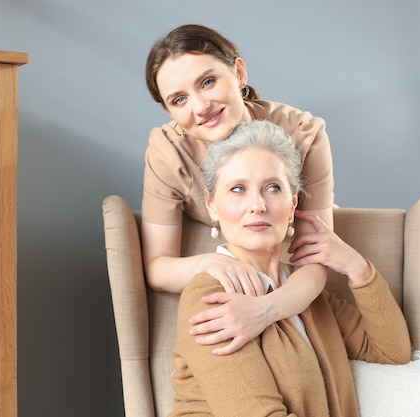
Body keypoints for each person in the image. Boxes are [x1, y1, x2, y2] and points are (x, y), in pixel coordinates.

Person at [170, 120, 411, 417]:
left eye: (273, 187)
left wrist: (357, 268)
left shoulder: (307, 294)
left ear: (292, 203)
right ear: (212, 206)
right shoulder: (209, 297)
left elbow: (393, 352)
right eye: (237, 189)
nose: (257, 205)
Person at [142, 24, 334, 355]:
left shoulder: (302, 133)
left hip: (286, 265)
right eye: (179, 99)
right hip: (227, 260)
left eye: (208, 82)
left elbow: (315, 261)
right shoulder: (168, 151)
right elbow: (158, 267)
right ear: (169, 110)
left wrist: (264, 311)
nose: (200, 106)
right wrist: (207, 263)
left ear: (239, 72)